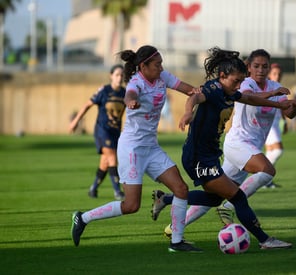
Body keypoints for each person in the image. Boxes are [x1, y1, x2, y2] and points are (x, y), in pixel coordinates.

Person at [152, 47, 296, 250]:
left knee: (215, 199)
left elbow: (250, 99)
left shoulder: (229, 91)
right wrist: (188, 112)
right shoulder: (213, 89)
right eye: (236, 81)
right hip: (197, 157)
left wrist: (282, 104)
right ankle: (265, 240)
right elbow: (195, 97)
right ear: (222, 76)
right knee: (237, 196)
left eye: (241, 81)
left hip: (210, 154)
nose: (239, 86)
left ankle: (166, 198)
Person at [71, 45, 202, 252]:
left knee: (181, 189)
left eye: (161, 63)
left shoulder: (163, 77)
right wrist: (131, 102)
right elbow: (129, 95)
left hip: (151, 147)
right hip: (132, 149)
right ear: (143, 66)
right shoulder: (136, 81)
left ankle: (177, 241)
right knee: (131, 206)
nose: (161, 67)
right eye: (157, 64)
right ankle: (82, 218)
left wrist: (196, 98)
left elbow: (189, 90)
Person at [69, 64, 126, 200]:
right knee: (112, 157)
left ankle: (93, 188)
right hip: (102, 130)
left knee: (105, 162)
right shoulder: (104, 91)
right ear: (111, 76)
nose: (120, 77)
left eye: (122, 75)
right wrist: (75, 121)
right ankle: (117, 191)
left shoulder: (125, 93)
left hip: (115, 131)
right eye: (117, 74)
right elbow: (87, 105)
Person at [263, 63, 287, 188]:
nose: (277, 76)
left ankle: (266, 181)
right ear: (269, 74)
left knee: (271, 151)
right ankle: (262, 176)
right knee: (278, 150)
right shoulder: (266, 88)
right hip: (268, 123)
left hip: (276, 123)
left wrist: (285, 121)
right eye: (274, 74)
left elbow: (283, 106)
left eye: (279, 74)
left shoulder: (279, 88)